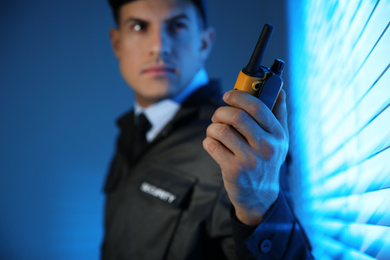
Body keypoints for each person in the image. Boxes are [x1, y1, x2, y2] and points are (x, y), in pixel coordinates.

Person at [102, 0, 313, 259]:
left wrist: (261, 205)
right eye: (138, 26)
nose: (158, 47)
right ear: (117, 43)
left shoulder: (244, 144)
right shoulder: (131, 133)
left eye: (177, 26)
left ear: (204, 42)